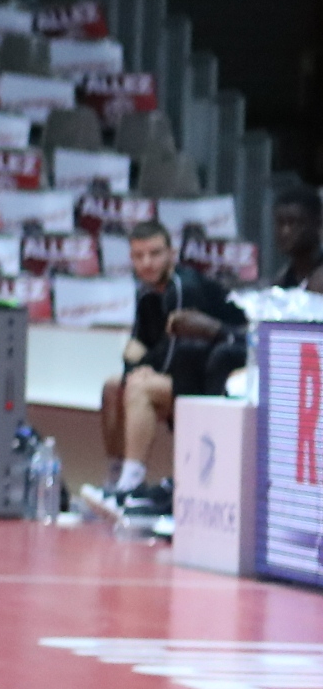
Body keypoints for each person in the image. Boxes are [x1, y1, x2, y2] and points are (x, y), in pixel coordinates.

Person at [91, 221, 250, 517]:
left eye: (154, 253)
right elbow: (133, 353)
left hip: (215, 384)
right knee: (114, 387)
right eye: (138, 256)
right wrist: (138, 368)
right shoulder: (147, 294)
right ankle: (114, 482)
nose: (147, 263)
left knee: (139, 388)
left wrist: (141, 367)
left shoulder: (183, 287)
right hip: (184, 379)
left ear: (171, 254)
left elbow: (172, 356)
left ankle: (130, 487)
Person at [270, 182, 319, 289]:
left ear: (317, 224)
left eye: (293, 222)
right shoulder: (282, 282)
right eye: (280, 223)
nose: (285, 231)